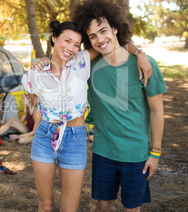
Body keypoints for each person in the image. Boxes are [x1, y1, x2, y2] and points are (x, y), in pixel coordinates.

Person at [27, 20, 152, 212]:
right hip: (45, 136)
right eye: (67, 41)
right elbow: (34, 96)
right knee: (45, 205)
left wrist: (140, 53)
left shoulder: (82, 60)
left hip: (75, 138)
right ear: (54, 39)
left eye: (76, 44)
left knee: (69, 208)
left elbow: (115, 43)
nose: (71, 48)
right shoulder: (35, 73)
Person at [72, 0, 166, 211]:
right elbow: (63, 59)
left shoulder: (145, 64)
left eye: (103, 30)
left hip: (136, 154)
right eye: (92, 36)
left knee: (132, 207)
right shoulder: (88, 67)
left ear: (115, 29)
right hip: (103, 150)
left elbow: (157, 111)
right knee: (103, 204)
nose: (99, 39)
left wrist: (155, 153)